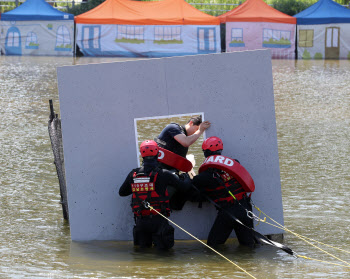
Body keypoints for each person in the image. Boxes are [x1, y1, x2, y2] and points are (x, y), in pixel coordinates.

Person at [119, 140, 191, 250]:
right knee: (164, 258)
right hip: (159, 221)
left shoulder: (133, 174)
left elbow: (122, 192)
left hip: (141, 222)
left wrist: (139, 187)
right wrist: (186, 177)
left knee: (143, 257)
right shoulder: (164, 174)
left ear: (142, 155)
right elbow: (185, 187)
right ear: (158, 154)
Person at [192, 136, 258, 247]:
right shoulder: (235, 163)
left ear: (206, 152)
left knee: (213, 246)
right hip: (245, 208)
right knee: (248, 246)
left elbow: (193, 189)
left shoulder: (205, 176)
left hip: (228, 213)